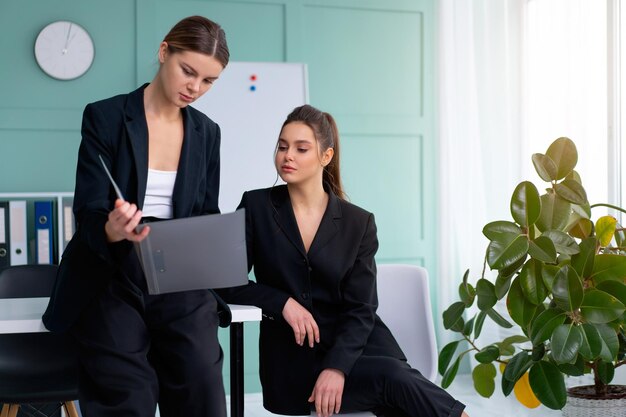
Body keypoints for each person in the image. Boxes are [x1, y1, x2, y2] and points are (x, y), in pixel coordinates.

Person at [218, 104, 469, 417]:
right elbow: (226, 280)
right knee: (396, 388)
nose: (287, 156)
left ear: (326, 156)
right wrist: (282, 302)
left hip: (358, 352)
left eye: (301, 148)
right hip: (294, 365)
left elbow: (361, 309)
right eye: (282, 146)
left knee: (396, 387)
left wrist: (337, 368)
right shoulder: (256, 206)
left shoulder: (358, 222)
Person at [42, 15, 230, 417]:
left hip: (178, 271)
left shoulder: (207, 133)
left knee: (201, 384)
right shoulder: (105, 117)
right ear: (164, 53)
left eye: (208, 80)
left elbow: (204, 213)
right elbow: (89, 209)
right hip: (114, 270)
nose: (195, 88)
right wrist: (112, 228)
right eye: (188, 71)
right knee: (126, 393)